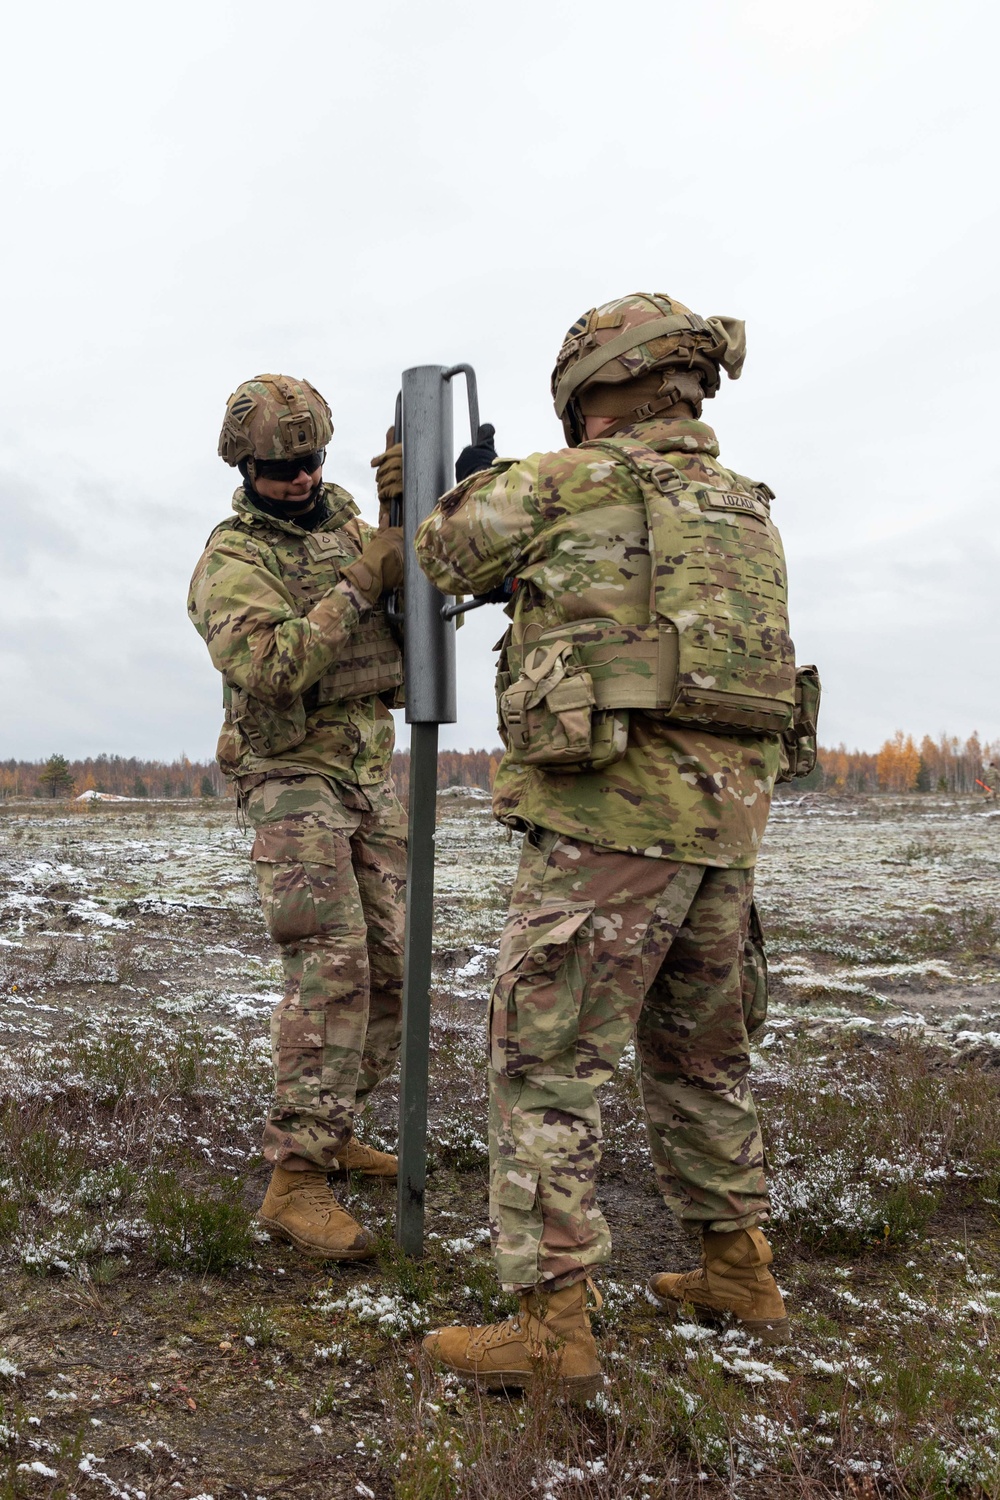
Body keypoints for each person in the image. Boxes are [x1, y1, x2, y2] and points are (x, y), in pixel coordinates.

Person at [415, 293, 808, 1395]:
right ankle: (739, 1268)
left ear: (596, 392)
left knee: (542, 1068)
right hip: (725, 836)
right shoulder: (744, 506)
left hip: (607, 830)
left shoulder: (569, 482)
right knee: (701, 1059)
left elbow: (445, 550)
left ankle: (550, 1337)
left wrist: (468, 481)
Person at [188, 374, 407, 1260]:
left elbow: (415, 615)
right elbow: (275, 666)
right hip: (289, 776)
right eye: (283, 467)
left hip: (364, 769)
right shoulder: (230, 561)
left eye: (314, 460)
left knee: (391, 966)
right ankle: (295, 1177)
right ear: (246, 465)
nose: (303, 479)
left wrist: (420, 516)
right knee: (331, 964)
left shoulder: (354, 521)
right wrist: (361, 583)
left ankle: (334, 1126)